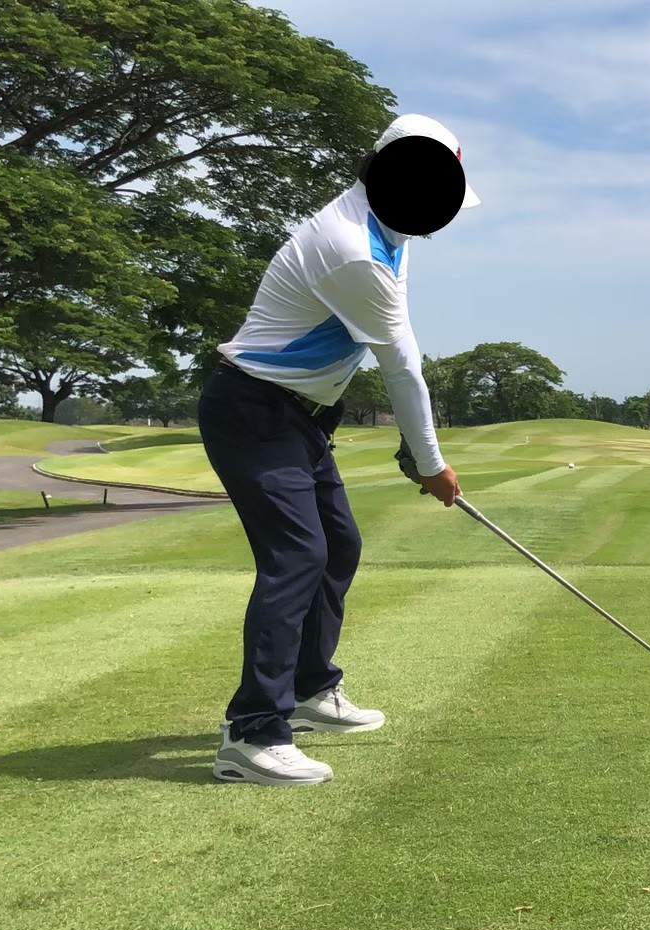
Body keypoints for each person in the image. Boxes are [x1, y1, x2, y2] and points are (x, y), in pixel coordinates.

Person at [198, 114, 478, 786]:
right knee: (297, 557)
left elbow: (399, 337)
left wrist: (416, 446)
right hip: (253, 409)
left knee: (339, 545)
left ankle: (308, 690)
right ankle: (252, 733)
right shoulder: (352, 249)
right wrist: (432, 463)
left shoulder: (388, 232)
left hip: (298, 417)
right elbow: (401, 365)